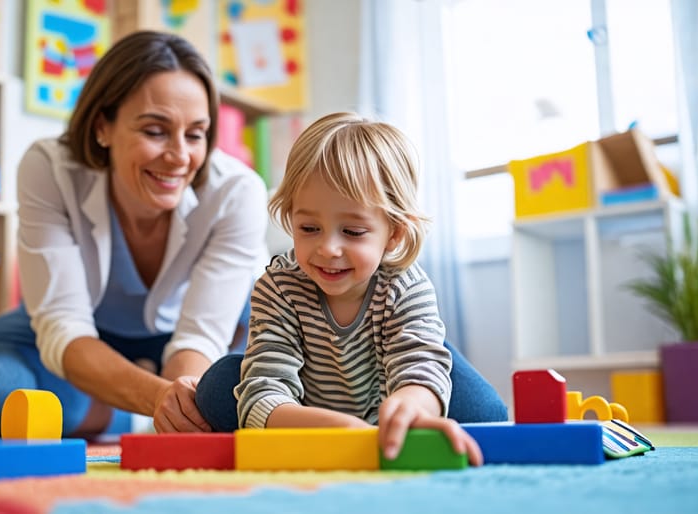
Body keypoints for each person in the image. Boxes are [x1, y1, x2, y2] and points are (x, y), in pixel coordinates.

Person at [0, 30, 269, 437]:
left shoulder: (237, 191)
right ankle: (117, 414)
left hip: (202, 340)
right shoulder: (49, 168)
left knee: (244, 399)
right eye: (155, 131)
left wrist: (181, 406)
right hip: (83, 330)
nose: (180, 156)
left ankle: (104, 403)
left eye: (195, 134)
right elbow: (63, 324)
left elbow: (201, 335)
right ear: (102, 127)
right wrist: (159, 401)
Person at [196, 112, 508, 465]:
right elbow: (266, 387)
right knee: (217, 385)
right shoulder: (278, 288)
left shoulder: (405, 285)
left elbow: (419, 368)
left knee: (486, 415)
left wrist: (410, 404)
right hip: (308, 419)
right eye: (309, 228)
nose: (328, 248)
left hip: (395, 396)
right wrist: (342, 431)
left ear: (394, 233)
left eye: (353, 232)